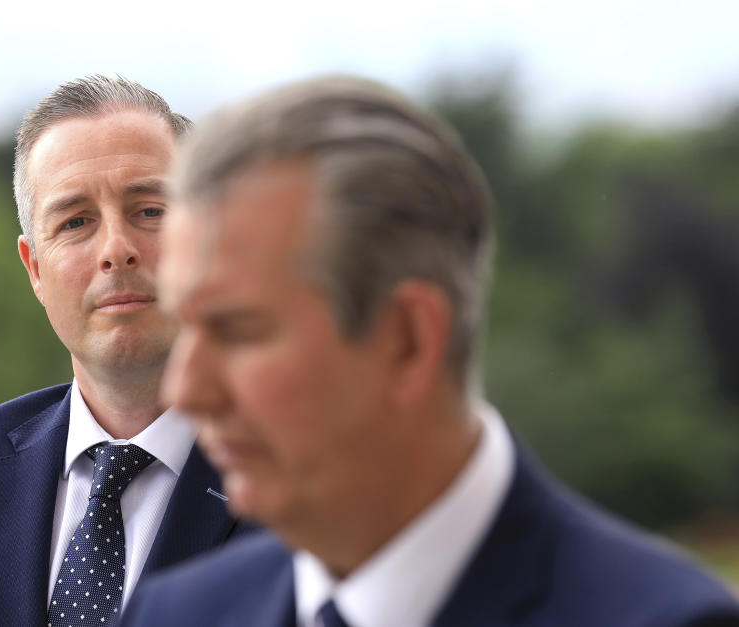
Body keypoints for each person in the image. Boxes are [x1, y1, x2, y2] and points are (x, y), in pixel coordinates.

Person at [121, 75, 739, 627]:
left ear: (409, 339)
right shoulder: (174, 612)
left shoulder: (669, 618)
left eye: (238, 331)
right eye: (186, 327)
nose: (185, 390)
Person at [0, 75, 251, 626]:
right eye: (76, 221)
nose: (116, 250)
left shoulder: (319, 484)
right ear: (34, 267)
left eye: (150, 210)